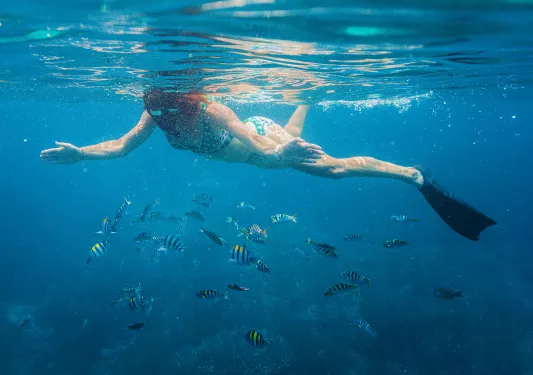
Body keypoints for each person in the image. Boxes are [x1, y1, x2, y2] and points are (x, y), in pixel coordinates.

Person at [40, 89, 496, 240]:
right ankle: (303, 97)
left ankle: (414, 176)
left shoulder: (209, 110)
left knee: (330, 168)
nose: (154, 111)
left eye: (161, 104)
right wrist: (80, 152)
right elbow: (121, 146)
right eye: (150, 103)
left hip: (258, 142)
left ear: (183, 98)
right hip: (256, 155)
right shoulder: (155, 113)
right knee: (293, 147)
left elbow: (257, 144)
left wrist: (282, 154)